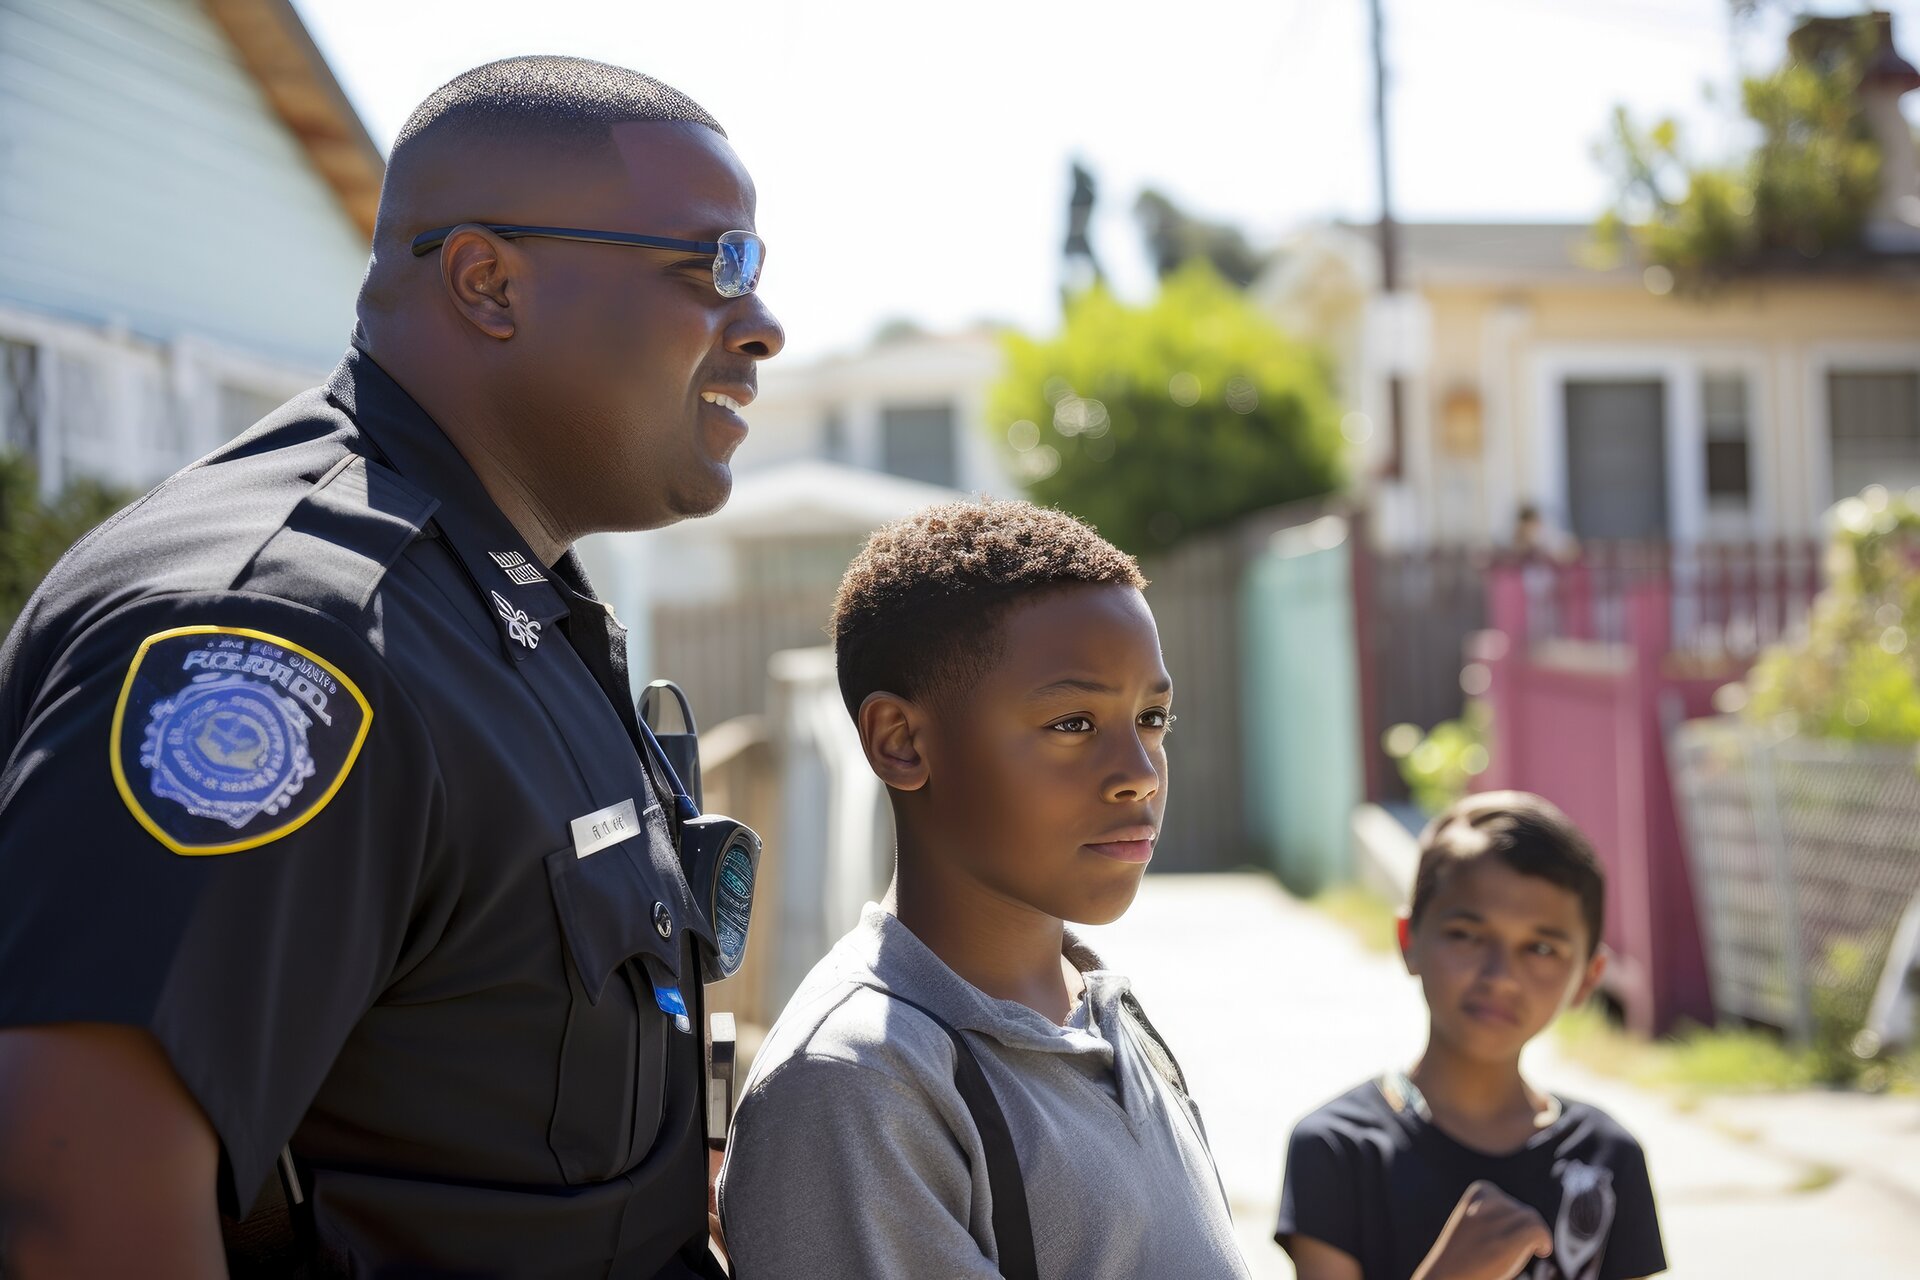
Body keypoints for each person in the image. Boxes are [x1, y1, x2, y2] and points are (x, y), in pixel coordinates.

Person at [0, 55, 782, 1278]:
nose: (764, 324)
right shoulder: (287, 634)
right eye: (715, 263)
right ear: (487, 282)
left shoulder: (498, 596)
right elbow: (72, 1210)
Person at [716, 499, 1250, 1279]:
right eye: (1073, 723)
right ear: (901, 742)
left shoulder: (1107, 1011)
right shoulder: (862, 1085)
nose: (1139, 774)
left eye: (1153, 717)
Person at [1276, 792, 1667, 1280]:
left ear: (1588, 978)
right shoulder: (1339, 1150)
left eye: (1541, 948)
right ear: (1408, 940)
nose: (1500, 975)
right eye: (1466, 934)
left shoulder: (1608, 1158)